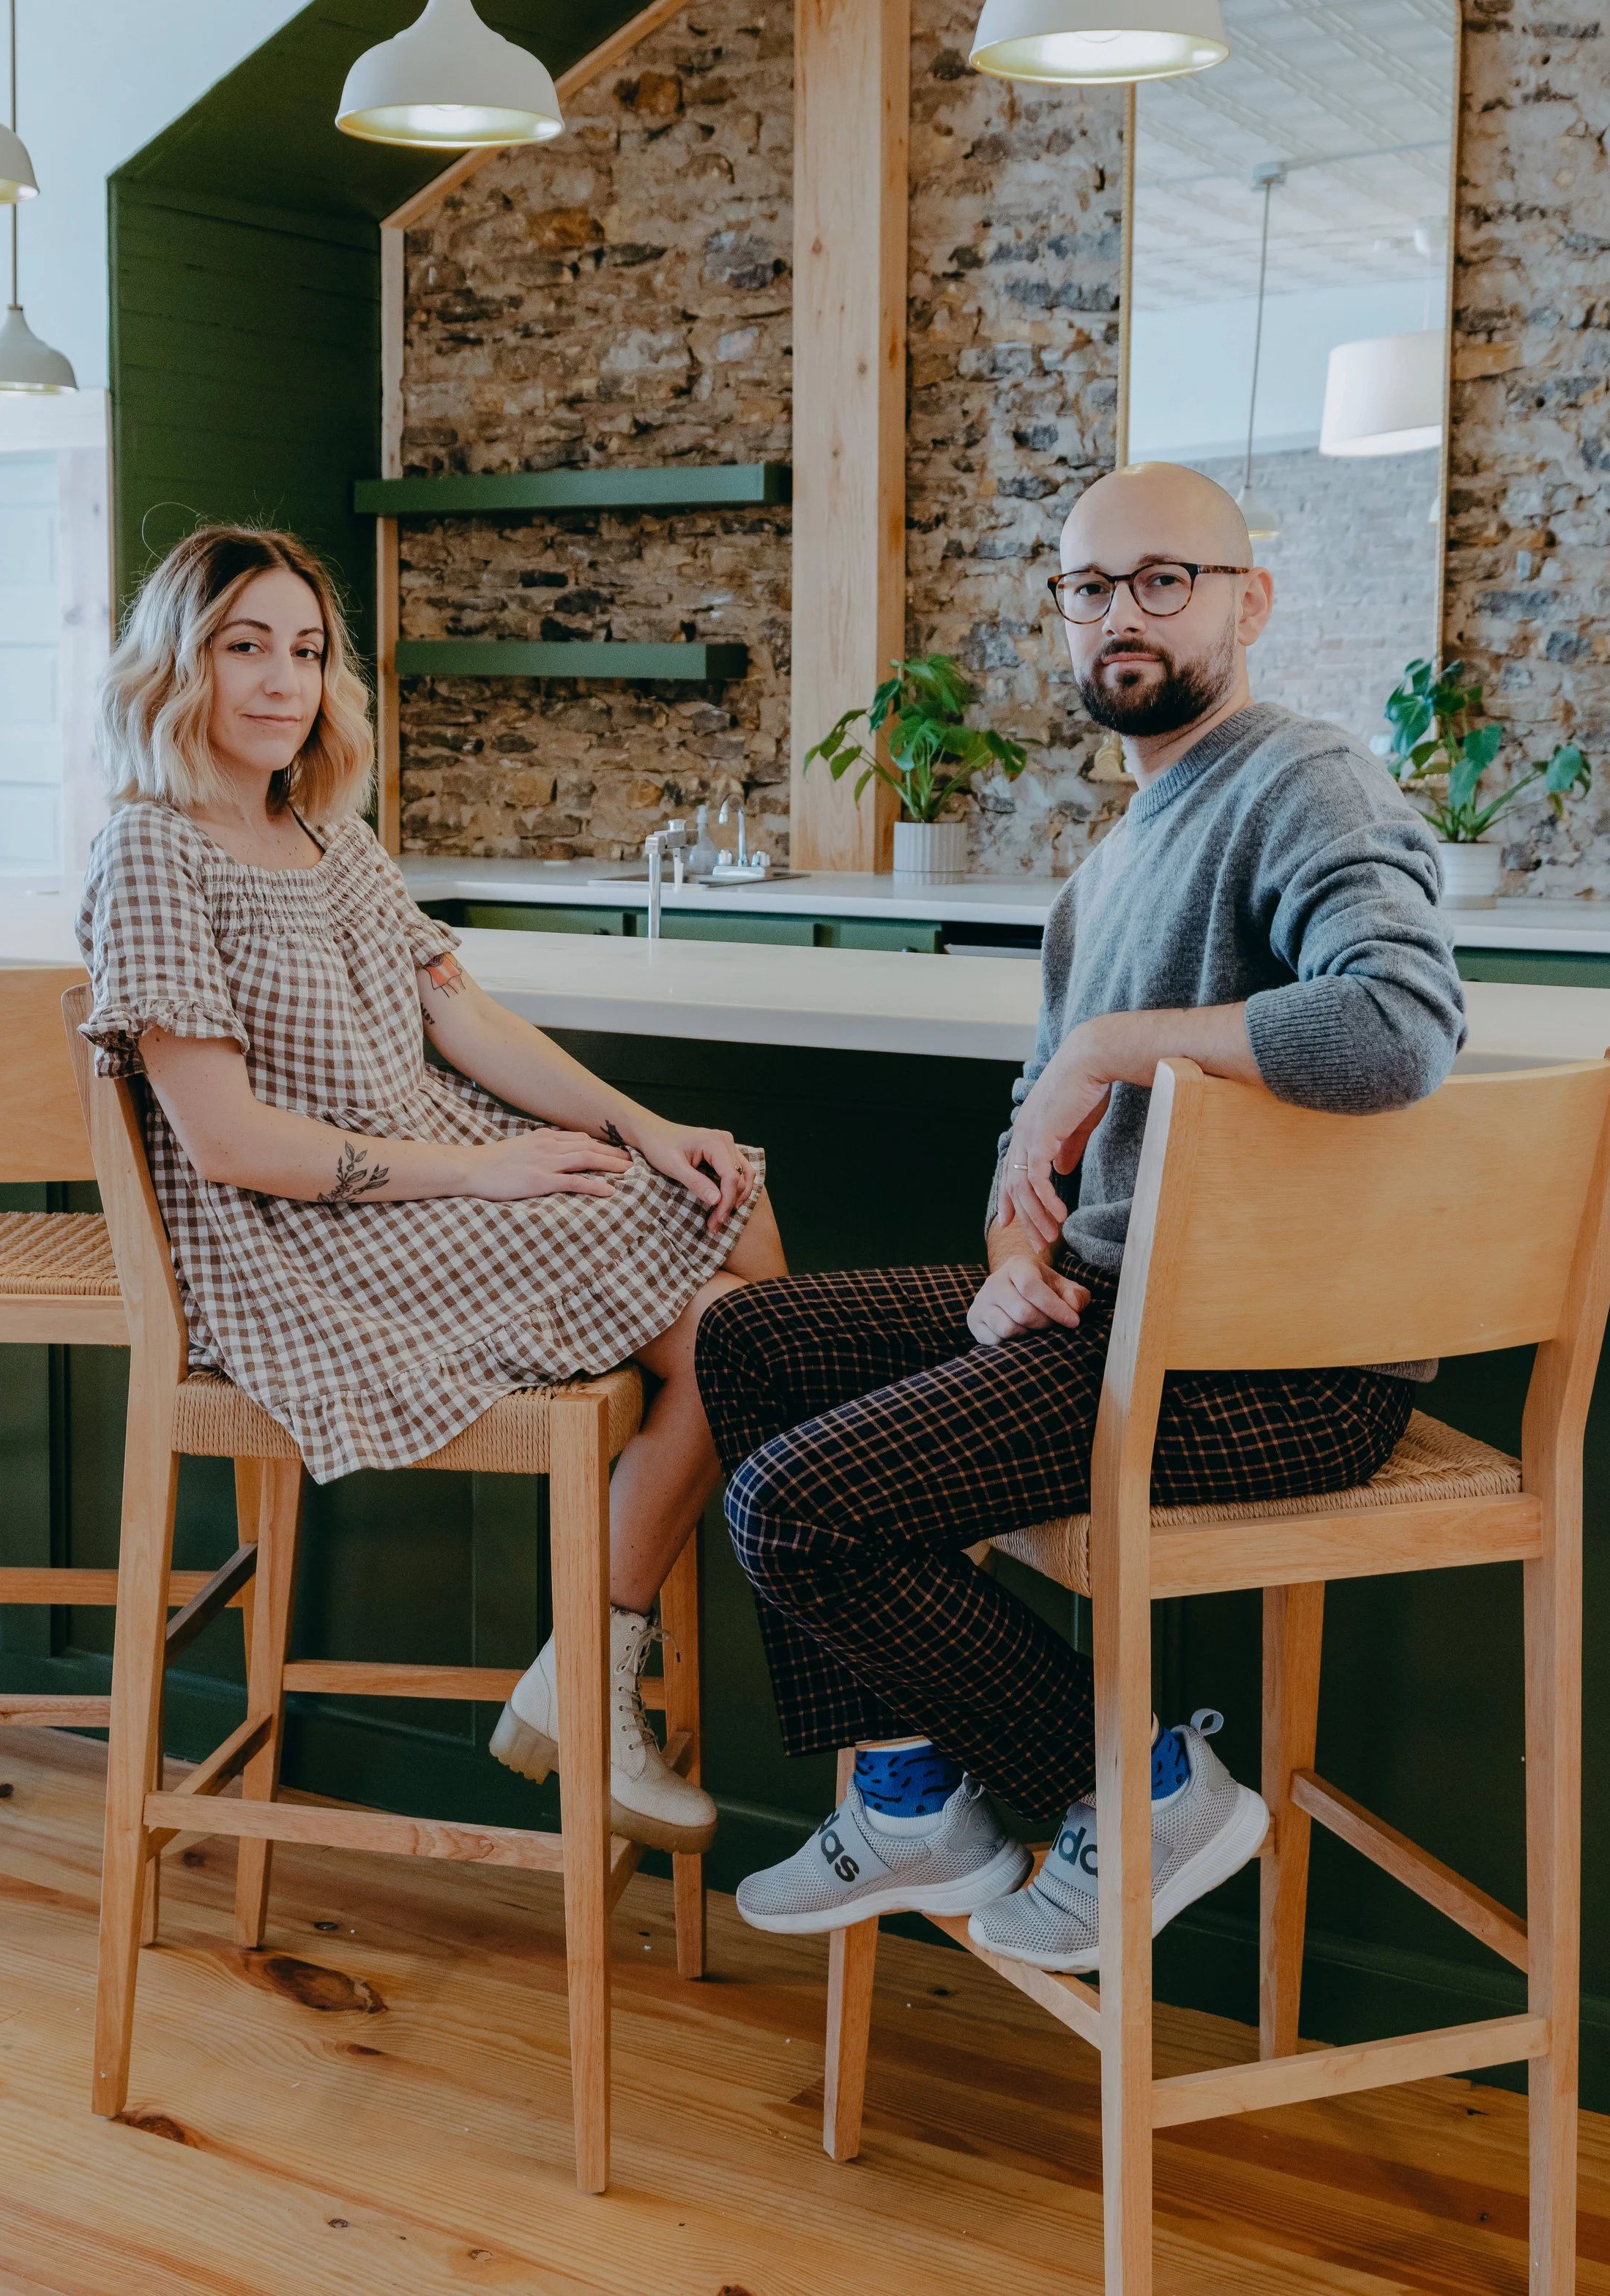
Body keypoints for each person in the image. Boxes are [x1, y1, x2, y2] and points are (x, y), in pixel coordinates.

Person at [713, 461, 1468, 1971]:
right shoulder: (1107, 864)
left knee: (791, 1506)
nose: (1119, 614)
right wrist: (1010, 1251)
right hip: (1116, 1307)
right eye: (1086, 586)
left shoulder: (1297, 776)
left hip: (1271, 1365)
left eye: (1160, 579)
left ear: (1246, 601)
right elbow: (1034, 1132)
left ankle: (1139, 1786)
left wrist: (1110, 1046)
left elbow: (1396, 1026)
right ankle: (916, 1791)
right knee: (752, 1339)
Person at [78, 523, 785, 1857]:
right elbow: (227, 1142)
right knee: (731, 1319)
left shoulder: (328, 837)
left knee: (718, 1191)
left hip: (428, 1179)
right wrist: (490, 1168)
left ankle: (593, 1669)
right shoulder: (149, 854)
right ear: (181, 665)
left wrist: (646, 1125)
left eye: (306, 651)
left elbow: (466, 1022)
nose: (284, 683)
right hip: (303, 1240)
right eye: (246, 649)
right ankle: (624, 1664)